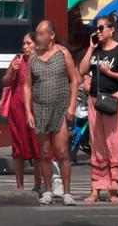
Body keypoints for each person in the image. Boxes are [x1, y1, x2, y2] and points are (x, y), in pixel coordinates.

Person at [78, 15, 118, 204]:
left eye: (102, 28)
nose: (99, 31)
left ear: (112, 30)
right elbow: (82, 70)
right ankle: (95, 189)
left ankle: (113, 190)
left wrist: (110, 73)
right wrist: (90, 48)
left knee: (114, 145)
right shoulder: (95, 51)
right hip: (95, 100)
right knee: (96, 145)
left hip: (114, 100)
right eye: (97, 28)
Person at [24, 20, 79, 206]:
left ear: (51, 35)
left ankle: (67, 192)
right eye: (37, 34)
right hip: (40, 109)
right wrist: (28, 113)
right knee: (45, 153)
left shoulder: (63, 54)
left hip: (61, 108)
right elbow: (27, 86)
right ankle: (48, 190)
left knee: (63, 151)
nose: (37, 38)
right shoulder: (33, 57)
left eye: (41, 34)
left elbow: (74, 80)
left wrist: (72, 106)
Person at [1, 32, 42, 193]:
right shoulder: (18, 60)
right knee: (17, 147)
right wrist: (12, 72)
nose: (25, 47)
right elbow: (4, 82)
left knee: (37, 146)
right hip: (17, 107)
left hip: (35, 107)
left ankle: (38, 184)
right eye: (24, 43)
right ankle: (20, 185)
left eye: (28, 43)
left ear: (36, 45)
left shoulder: (40, 60)